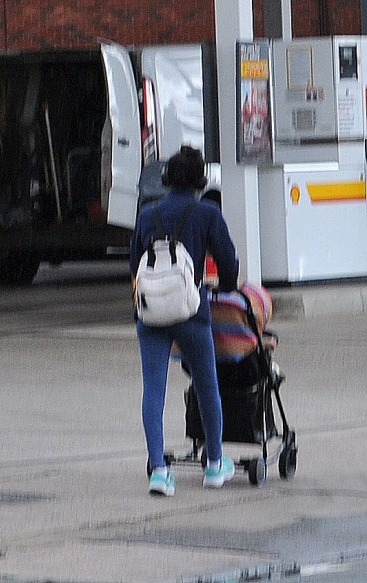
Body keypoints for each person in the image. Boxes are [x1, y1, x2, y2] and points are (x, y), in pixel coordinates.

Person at [130, 146, 240, 497]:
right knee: (208, 386)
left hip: (151, 314)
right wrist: (224, 287)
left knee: (153, 390)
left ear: (166, 179)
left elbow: (135, 265)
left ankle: (159, 472)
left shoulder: (147, 214)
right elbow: (228, 260)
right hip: (192, 312)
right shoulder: (207, 212)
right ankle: (215, 464)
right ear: (200, 180)